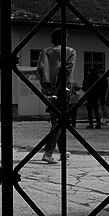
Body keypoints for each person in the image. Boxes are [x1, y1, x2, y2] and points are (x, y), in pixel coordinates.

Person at [36, 28, 76, 164]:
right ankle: (48, 151)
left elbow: (39, 72)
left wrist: (47, 88)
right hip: (63, 89)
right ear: (64, 38)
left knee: (56, 121)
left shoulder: (45, 52)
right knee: (61, 121)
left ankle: (63, 152)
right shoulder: (70, 51)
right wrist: (60, 88)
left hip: (49, 89)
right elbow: (67, 71)